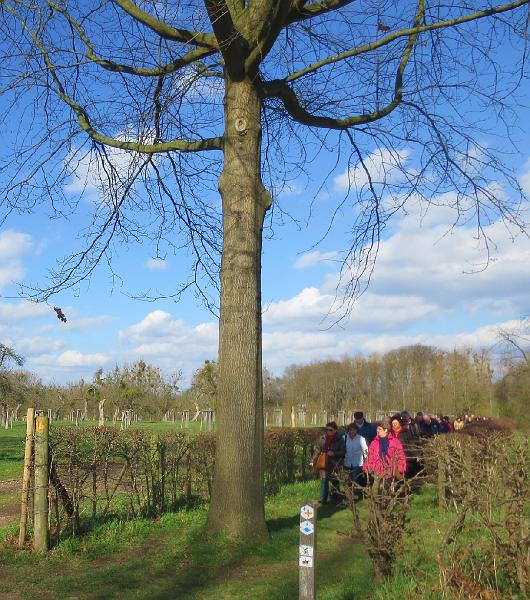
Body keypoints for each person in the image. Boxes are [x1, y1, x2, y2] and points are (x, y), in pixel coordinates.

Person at [313, 421, 345, 503]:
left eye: (330, 430)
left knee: (335, 481)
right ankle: (323, 499)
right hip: (324, 462)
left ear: (335, 430)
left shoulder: (340, 439)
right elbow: (317, 450)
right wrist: (313, 460)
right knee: (324, 480)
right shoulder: (323, 438)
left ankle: (335, 498)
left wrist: (334, 453)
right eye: (327, 430)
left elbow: (343, 451)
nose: (328, 432)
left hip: (335, 463)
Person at [342, 422, 368, 490]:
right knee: (346, 480)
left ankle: (355, 494)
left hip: (357, 463)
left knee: (355, 479)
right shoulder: (344, 438)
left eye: (354, 430)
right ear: (348, 430)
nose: (352, 431)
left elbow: (365, 450)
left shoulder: (361, 438)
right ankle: (348, 495)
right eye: (351, 430)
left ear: (357, 430)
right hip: (347, 462)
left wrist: (367, 461)